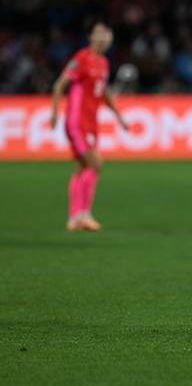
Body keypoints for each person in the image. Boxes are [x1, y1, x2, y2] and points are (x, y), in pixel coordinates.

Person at [50, 22, 129, 232]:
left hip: (91, 124)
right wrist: (55, 113)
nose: (103, 40)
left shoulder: (103, 62)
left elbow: (104, 93)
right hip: (77, 122)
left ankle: (75, 218)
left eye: (106, 37)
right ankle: (83, 215)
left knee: (83, 167)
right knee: (96, 163)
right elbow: (59, 85)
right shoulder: (81, 58)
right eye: (99, 36)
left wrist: (119, 117)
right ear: (92, 37)